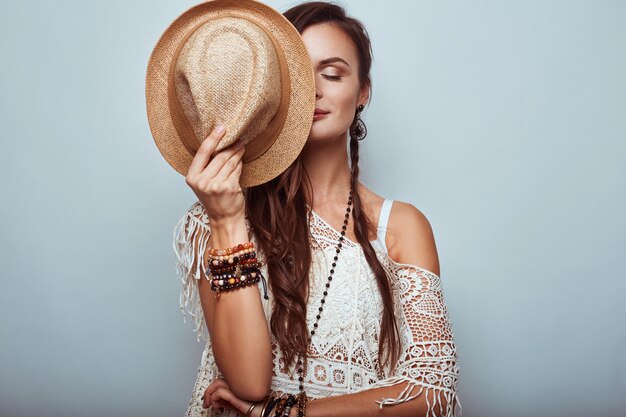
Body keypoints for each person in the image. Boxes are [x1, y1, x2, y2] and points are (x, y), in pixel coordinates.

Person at [173, 2, 461, 416]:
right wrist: (225, 220)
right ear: (271, 90)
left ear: (363, 91)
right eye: (295, 76)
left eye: (332, 73)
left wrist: (287, 414)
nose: (314, 89)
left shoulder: (400, 226)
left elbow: (432, 391)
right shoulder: (214, 219)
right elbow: (249, 383)